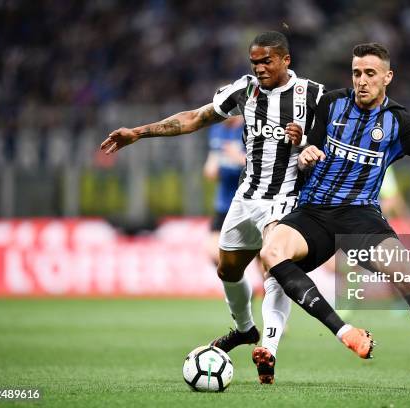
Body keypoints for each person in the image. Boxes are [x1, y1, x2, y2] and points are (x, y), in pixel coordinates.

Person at [100, 31, 325, 384]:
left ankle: (269, 347)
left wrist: (309, 142)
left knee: (274, 264)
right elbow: (195, 118)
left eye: (267, 61)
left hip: (286, 199)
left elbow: (335, 140)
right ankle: (245, 329)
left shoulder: (313, 94)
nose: (260, 68)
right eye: (255, 62)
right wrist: (139, 133)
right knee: (228, 271)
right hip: (246, 197)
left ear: (286, 60)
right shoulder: (244, 90)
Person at [259, 43, 410, 393]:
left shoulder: (400, 120)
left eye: (370, 74)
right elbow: (308, 148)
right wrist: (306, 153)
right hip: (314, 210)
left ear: (388, 77)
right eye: (356, 73)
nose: (361, 81)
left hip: (360, 217)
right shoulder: (331, 103)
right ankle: (345, 331)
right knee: (271, 252)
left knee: (406, 276)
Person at [203, 116, 246, 266]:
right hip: (225, 204)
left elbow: (263, 164)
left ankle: (272, 289)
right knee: (214, 251)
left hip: (250, 204)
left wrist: (238, 158)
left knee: (263, 257)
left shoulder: (252, 128)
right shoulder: (217, 130)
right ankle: (242, 288)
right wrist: (211, 168)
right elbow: (211, 164)